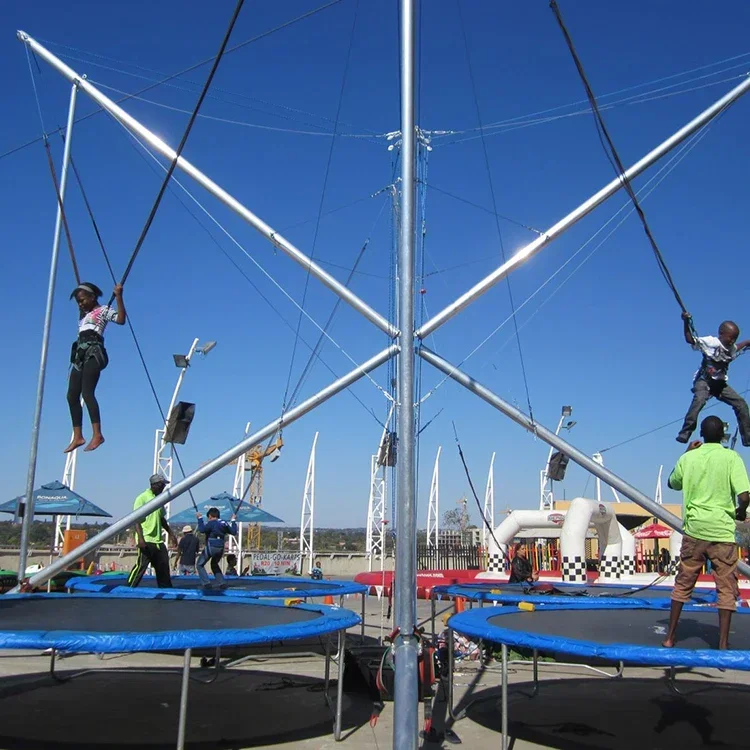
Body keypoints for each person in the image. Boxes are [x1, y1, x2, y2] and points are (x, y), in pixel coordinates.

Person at [662, 415, 750, 649]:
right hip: (721, 531)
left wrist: (686, 454)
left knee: (683, 582)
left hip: (695, 529)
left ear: (700, 434)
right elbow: (744, 495)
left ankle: (670, 637)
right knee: (726, 587)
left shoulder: (690, 458)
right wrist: (740, 511)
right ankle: (722, 642)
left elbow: (672, 483)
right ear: (722, 435)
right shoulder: (731, 458)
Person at [65, 282, 127, 453]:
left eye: (82, 300)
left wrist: (119, 296)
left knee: (87, 393)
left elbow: (121, 320)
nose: (80, 304)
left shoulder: (103, 311)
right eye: (78, 302)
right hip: (80, 355)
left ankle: (97, 434)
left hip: (94, 353)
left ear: (92, 297)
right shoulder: (83, 316)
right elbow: (82, 306)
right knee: (71, 395)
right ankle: (78, 436)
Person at [676, 313, 750, 447]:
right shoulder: (711, 342)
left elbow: (743, 344)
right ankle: (686, 431)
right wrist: (686, 322)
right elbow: (690, 340)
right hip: (704, 380)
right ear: (721, 334)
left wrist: (747, 342)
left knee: (741, 404)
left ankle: (747, 437)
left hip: (719, 384)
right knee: (699, 400)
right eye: (730, 338)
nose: (732, 341)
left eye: (735, 339)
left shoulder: (732, 348)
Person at [128, 474, 177, 588]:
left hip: (157, 541)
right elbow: (136, 518)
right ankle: (129, 587)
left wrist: (171, 533)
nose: (163, 488)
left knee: (163, 566)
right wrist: (140, 538)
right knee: (141, 566)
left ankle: (166, 588)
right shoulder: (142, 498)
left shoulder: (159, 500)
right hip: (146, 538)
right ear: (156, 485)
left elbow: (161, 518)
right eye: (162, 485)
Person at [196, 507, 238, 588]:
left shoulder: (212, 523)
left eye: (208, 518)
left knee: (199, 564)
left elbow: (202, 529)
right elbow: (233, 532)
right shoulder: (224, 523)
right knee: (214, 564)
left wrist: (200, 518)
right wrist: (233, 521)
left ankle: (206, 583)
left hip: (211, 546)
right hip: (221, 547)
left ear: (210, 516)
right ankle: (222, 583)